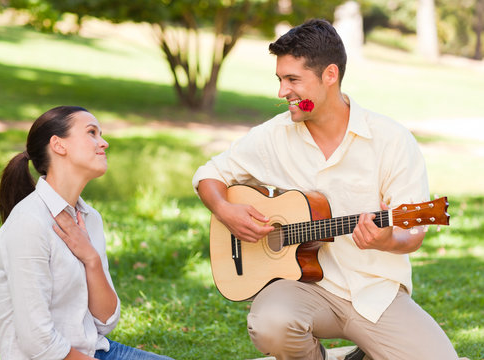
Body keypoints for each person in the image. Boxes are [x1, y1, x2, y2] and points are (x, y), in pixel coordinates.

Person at [192, 19, 460, 360]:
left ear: (329, 75)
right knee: (270, 323)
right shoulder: (274, 136)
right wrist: (226, 210)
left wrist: (388, 240)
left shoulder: (390, 140)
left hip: (374, 293)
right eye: (279, 79)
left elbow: (414, 232)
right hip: (303, 290)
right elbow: (208, 175)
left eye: (292, 80)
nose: (281, 92)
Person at [0, 106, 173, 360]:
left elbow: (105, 321)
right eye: (92, 133)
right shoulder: (29, 223)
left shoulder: (90, 218)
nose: (104, 143)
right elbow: (38, 342)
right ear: (58, 145)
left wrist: (91, 258)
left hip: (93, 350)